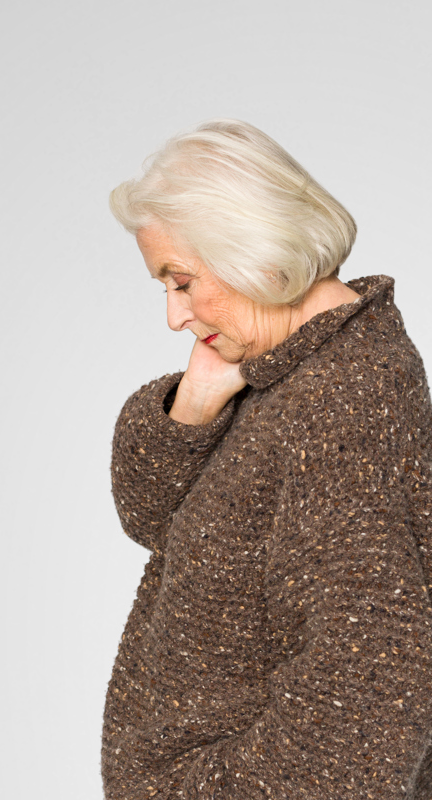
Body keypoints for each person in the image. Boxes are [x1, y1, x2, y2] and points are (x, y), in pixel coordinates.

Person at [101, 119, 432, 799]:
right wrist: (195, 401)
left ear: (254, 251)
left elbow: (368, 701)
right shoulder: (282, 372)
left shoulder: (339, 402)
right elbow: (150, 515)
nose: (174, 316)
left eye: (182, 281)